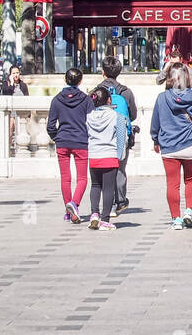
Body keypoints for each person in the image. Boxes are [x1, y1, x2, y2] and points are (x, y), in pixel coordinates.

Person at [150, 62, 192, 230]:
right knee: (191, 179)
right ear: (187, 77)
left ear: (169, 78)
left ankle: (176, 219)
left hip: (169, 146)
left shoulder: (161, 98)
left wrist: (155, 140)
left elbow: (155, 122)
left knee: (172, 184)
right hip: (190, 146)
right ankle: (188, 211)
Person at [46, 67, 93, 224]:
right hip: (81, 141)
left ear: (65, 80)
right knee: (82, 178)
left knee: (65, 178)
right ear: (80, 81)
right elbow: (92, 122)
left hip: (63, 142)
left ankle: (68, 211)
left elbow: (50, 126)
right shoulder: (86, 100)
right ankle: (74, 203)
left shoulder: (57, 100)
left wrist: (57, 137)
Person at [99, 55, 139, 215]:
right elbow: (133, 115)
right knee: (120, 169)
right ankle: (120, 201)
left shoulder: (97, 91)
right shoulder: (126, 92)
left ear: (102, 72)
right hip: (121, 136)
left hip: (102, 136)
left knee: (103, 171)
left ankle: (107, 203)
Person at [84, 85, 125, 231]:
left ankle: (94, 214)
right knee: (108, 189)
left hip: (94, 156)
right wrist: (120, 155)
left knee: (95, 185)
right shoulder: (116, 116)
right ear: (109, 100)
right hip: (109, 155)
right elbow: (121, 138)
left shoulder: (88, 116)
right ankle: (105, 219)